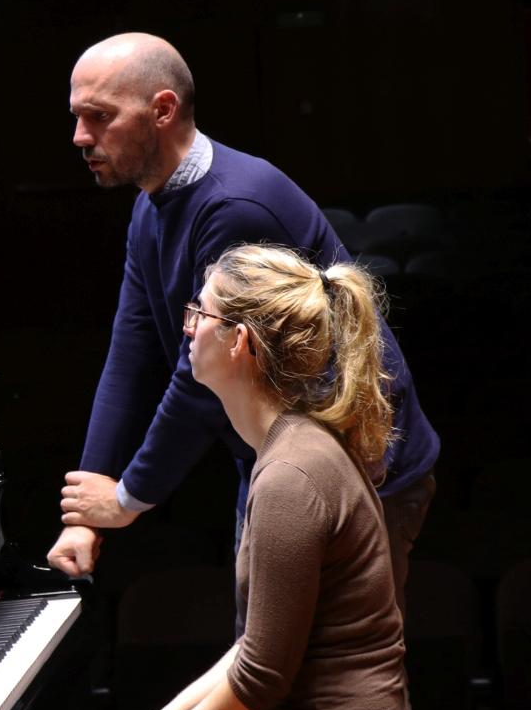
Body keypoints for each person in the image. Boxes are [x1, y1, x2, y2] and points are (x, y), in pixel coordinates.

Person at [48, 33, 438, 628]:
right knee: (282, 681)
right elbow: (130, 356)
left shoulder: (235, 207)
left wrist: (126, 500)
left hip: (357, 466)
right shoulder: (150, 206)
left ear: (162, 109)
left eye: (99, 117)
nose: (80, 137)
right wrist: (86, 507)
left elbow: (202, 380)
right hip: (284, 460)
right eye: (77, 117)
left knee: (330, 688)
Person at [32, 245, 406, 710]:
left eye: (199, 314)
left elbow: (260, 680)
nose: (187, 329)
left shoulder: (291, 475)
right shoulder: (283, 450)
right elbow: (251, 653)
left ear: (240, 343)